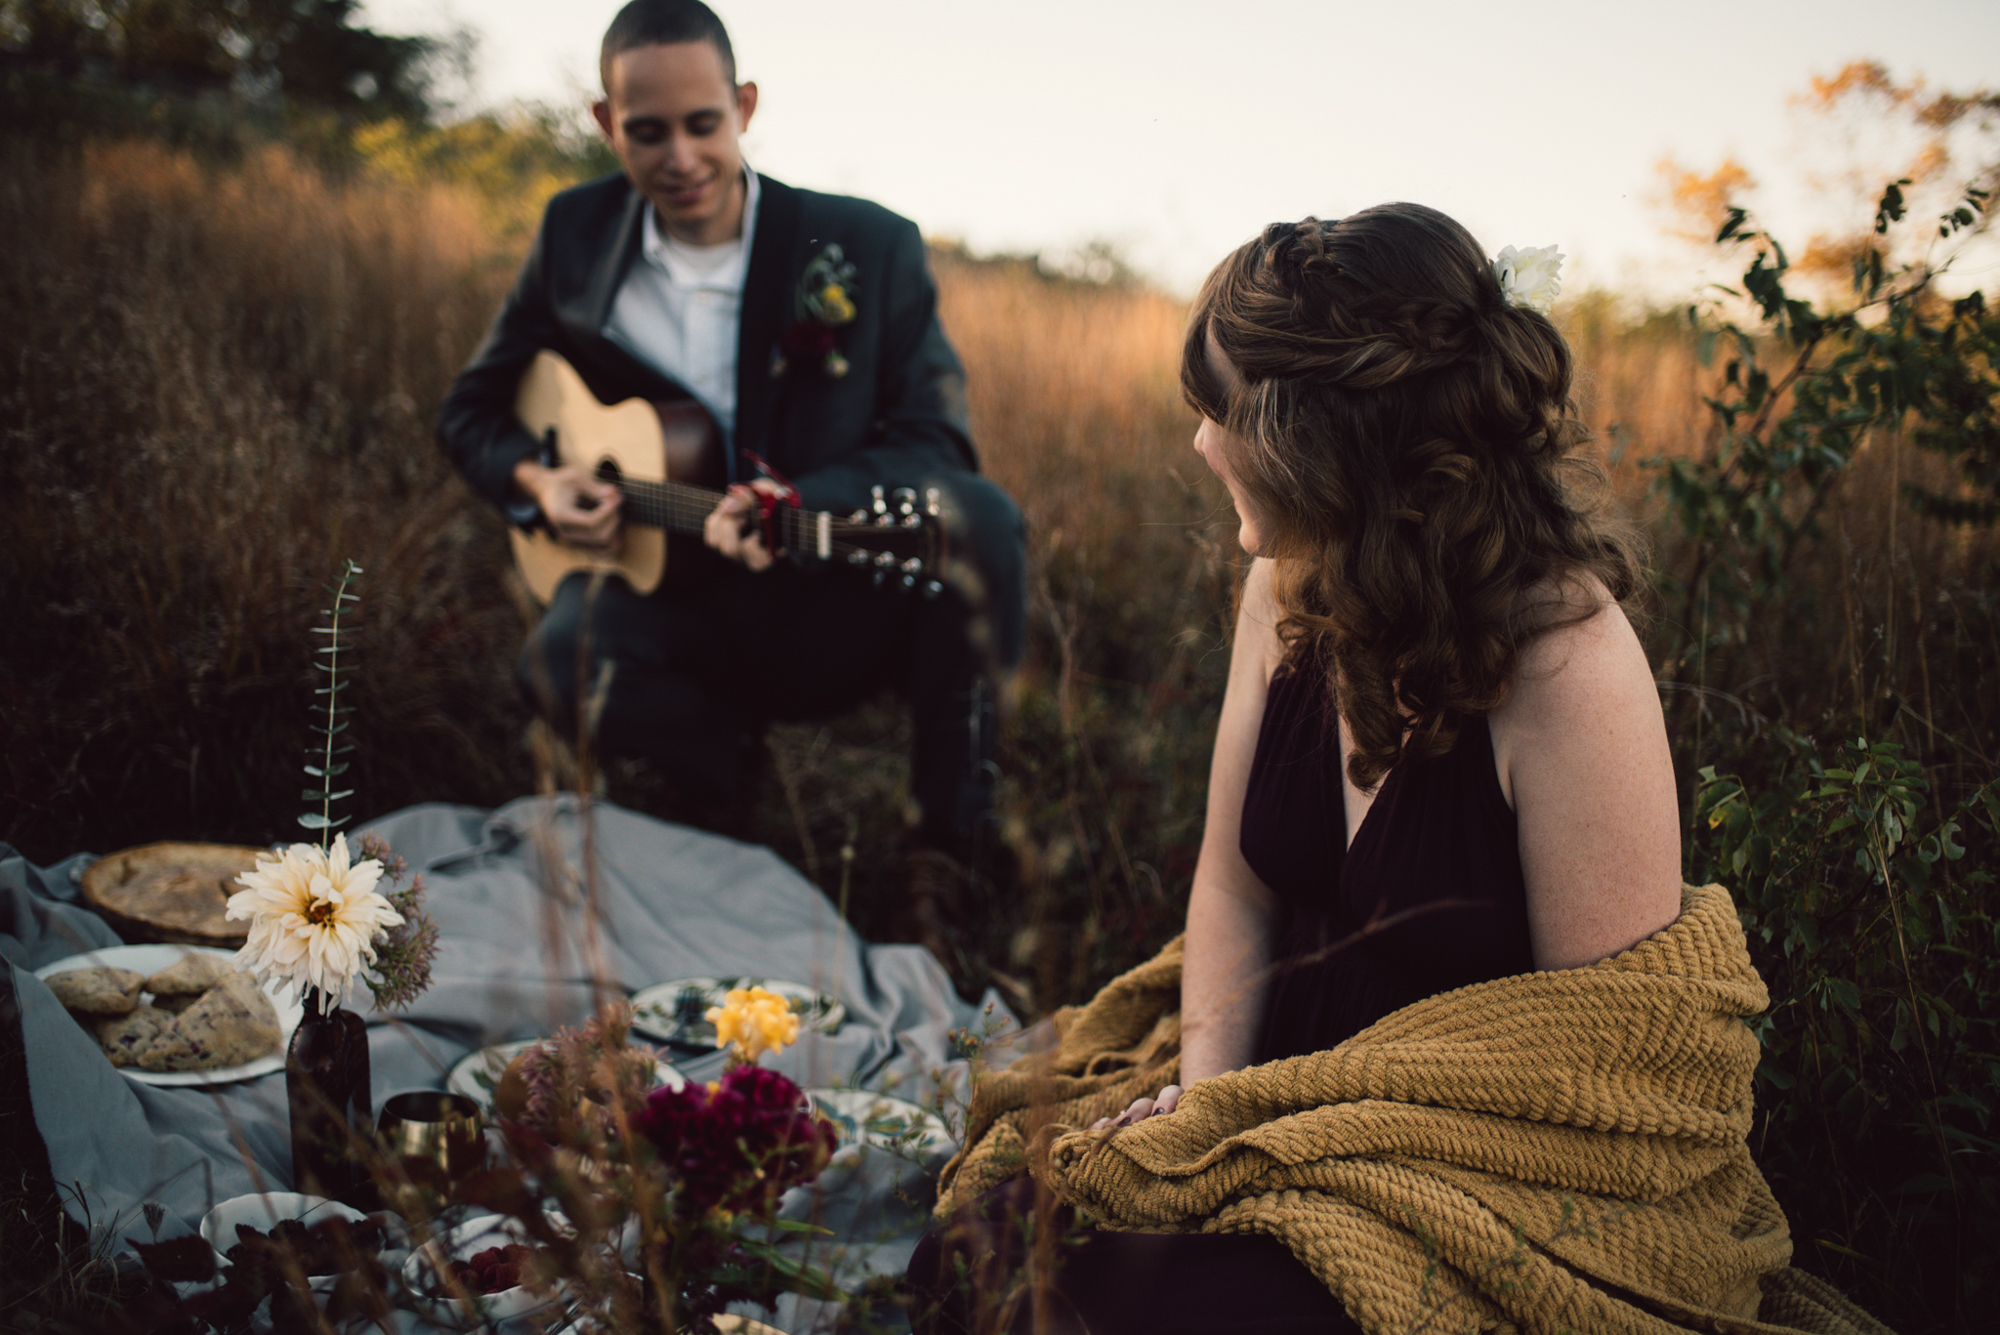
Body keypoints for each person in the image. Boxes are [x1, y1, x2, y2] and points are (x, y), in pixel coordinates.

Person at [910, 204, 1686, 1333]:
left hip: (1468, 1154)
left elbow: (1599, 1072)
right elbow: (1233, 883)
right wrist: (1206, 1115)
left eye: (1217, 413)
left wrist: (1295, 1143)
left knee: (1109, 1314)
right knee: (970, 1262)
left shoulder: (1564, 665)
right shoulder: (1285, 588)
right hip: (1267, 1072)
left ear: (1315, 443)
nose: (1197, 444)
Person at [436, 0, 1025, 893]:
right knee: (558, 657)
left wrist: (797, 502)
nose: (680, 159)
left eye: (704, 124)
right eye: (648, 132)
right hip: (673, 599)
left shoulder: (865, 244)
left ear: (745, 106)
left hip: (827, 594)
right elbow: (472, 409)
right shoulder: (574, 235)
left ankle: (950, 848)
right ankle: (718, 782)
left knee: (980, 522)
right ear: (605, 123)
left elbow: (934, 441)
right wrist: (538, 483)